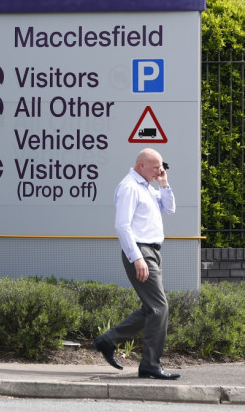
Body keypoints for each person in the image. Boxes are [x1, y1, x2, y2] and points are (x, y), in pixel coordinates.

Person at [92, 148, 180, 380]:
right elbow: (122, 226)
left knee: (151, 308)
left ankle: (107, 341)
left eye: (162, 166)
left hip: (151, 251)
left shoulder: (147, 187)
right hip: (140, 251)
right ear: (141, 165)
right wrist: (137, 257)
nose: (160, 171)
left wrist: (164, 184)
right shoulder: (129, 187)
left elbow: (169, 209)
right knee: (160, 308)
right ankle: (150, 365)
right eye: (155, 167)